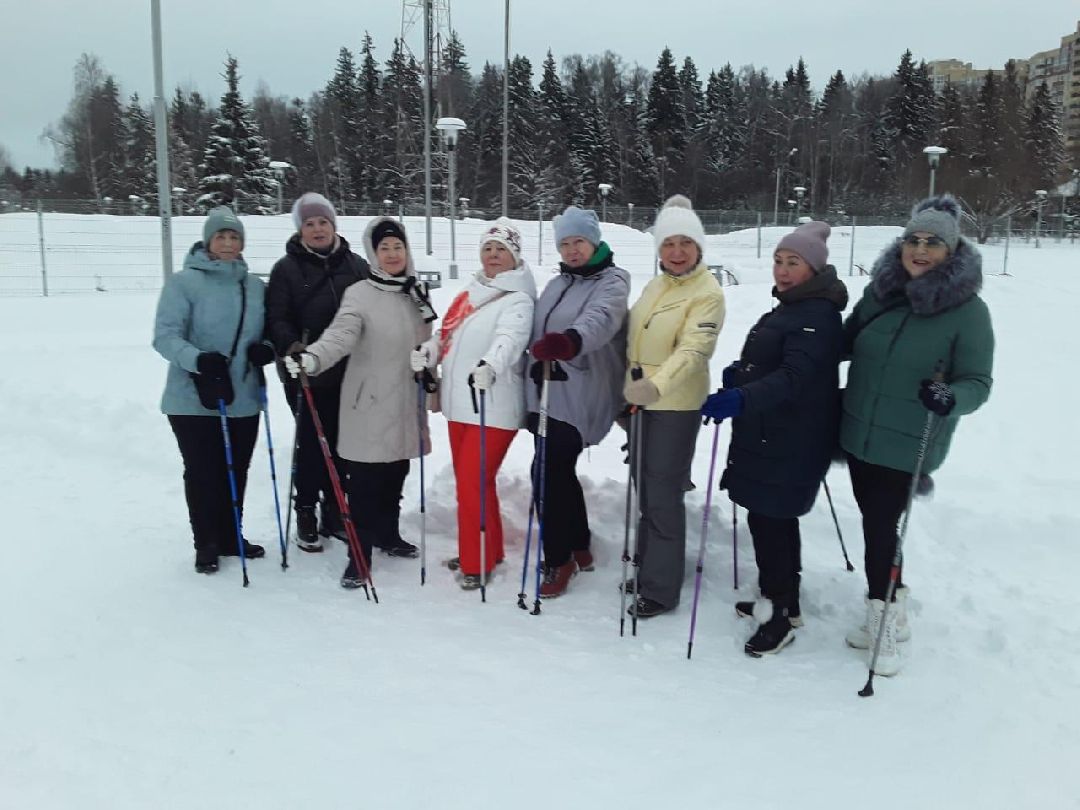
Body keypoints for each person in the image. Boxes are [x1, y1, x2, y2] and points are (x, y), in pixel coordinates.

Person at [839, 194, 994, 675]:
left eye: (933, 242)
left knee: (880, 529)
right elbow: (845, 341)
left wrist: (951, 398)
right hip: (859, 432)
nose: (920, 250)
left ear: (951, 251)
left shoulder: (968, 312)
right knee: (875, 522)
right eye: (913, 240)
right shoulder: (881, 294)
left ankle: (883, 619)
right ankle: (895, 600)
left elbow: (977, 381)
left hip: (909, 441)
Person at [702, 221, 847, 655]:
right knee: (767, 519)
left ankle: (781, 614)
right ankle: (781, 598)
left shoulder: (816, 315)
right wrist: (741, 374)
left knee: (773, 520)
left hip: (792, 437)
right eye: (779, 262)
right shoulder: (791, 307)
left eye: (794, 263)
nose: (783, 271)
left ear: (814, 269)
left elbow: (794, 377)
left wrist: (742, 397)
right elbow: (773, 362)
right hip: (772, 432)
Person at [284, 217, 437, 588]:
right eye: (384, 248)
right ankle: (359, 554)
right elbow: (340, 335)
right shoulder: (360, 294)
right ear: (373, 253)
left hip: (405, 400)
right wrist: (313, 358)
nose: (392, 254)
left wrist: (430, 364)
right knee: (365, 484)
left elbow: (429, 342)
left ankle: (388, 534)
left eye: (397, 246)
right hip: (370, 401)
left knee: (395, 474)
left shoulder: (416, 292)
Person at [410, 218, 537, 590]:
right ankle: (488, 548)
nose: (494, 255)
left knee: (470, 483)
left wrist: (491, 365)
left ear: (515, 256)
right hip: (460, 404)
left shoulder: (517, 299)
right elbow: (447, 334)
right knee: (478, 483)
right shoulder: (471, 291)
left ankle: (476, 561)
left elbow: (509, 340)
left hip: (492, 406)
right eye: (488, 249)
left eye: (501, 250)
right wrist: (429, 351)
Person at [153, 206, 275, 574]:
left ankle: (229, 535)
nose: (227, 242)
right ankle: (205, 541)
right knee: (204, 470)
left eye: (234, 236)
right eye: (220, 236)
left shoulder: (253, 286)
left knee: (236, 468)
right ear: (208, 241)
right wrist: (198, 360)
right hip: (192, 397)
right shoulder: (183, 283)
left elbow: (268, 328)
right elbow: (165, 336)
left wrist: (265, 348)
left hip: (243, 395)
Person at [623, 195, 725, 619]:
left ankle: (661, 589)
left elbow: (694, 350)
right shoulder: (656, 284)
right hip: (638, 401)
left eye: (685, 243)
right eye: (669, 243)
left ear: (699, 247)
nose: (677, 252)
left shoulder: (708, 293)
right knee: (645, 488)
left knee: (662, 495)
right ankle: (652, 566)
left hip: (674, 405)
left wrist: (655, 386)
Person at [526, 205, 630, 598]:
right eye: (565, 243)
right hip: (549, 392)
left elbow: (601, 320)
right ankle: (579, 544)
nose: (572, 250)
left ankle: (558, 558)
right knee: (555, 471)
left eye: (579, 242)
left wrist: (570, 341)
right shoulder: (558, 283)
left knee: (546, 474)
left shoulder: (614, 281)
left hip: (583, 389)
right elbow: (538, 328)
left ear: (595, 242)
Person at [265, 192, 370, 553]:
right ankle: (306, 510)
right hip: (306, 373)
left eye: (323, 222)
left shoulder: (355, 265)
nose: (317, 229)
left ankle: (335, 511)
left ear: (334, 225)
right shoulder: (287, 269)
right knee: (312, 444)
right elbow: (276, 316)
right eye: (309, 224)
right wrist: (292, 345)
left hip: (349, 373)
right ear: (300, 230)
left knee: (343, 446)